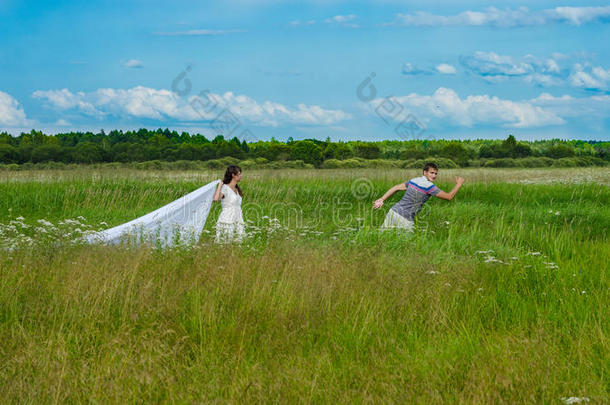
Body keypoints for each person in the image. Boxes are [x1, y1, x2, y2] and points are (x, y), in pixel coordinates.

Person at [373, 162, 464, 231]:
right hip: (405, 219)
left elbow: (396, 187)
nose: (434, 176)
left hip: (393, 212)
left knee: (383, 238)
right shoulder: (429, 187)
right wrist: (458, 184)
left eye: (436, 174)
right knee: (407, 246)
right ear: (425, 172)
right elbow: (449, 197)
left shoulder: (414, 180)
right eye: (431, 173)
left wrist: (382, 199)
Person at [213, 165, 245, 243]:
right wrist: (220, 186)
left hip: (238, 218)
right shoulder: (225, 188)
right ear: (233, 175)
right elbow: (215, 199)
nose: (241, 176)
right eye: (239, 174)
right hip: (227, 219)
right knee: (227, 241)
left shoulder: (237, 189)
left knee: (239, 241)